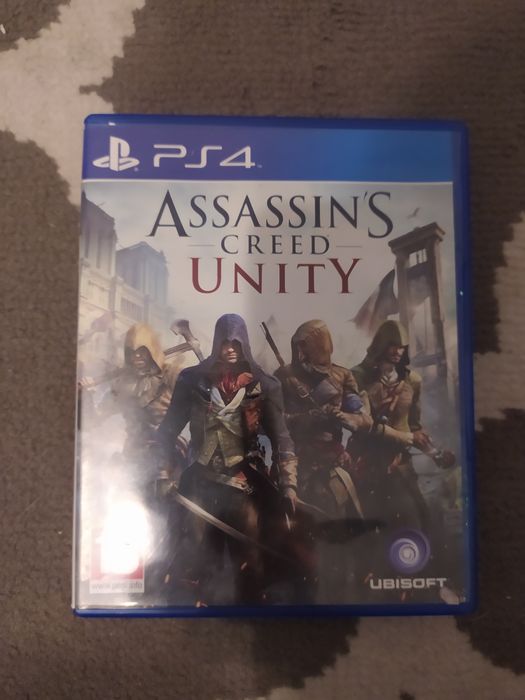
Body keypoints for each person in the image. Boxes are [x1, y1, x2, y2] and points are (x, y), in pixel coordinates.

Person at [156, 313, 298, 605]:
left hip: (246, 480)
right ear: (217, 343)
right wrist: (162, 473)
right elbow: (167, 431)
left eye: (236, 342)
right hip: (201, 480)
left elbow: (282, 438)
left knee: (264, 552)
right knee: (184, 549)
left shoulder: (265, 385)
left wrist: (289, 485)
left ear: (243, 343)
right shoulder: (192, 380)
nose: (230, 348)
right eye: (225, 342)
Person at [274, 319, 372, 601]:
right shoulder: (283, 376)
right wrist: (309, 417)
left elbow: (364, 418)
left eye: (305, 348)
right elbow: (275, 420)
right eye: (298, 348)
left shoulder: (342, 376)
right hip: (294, 468)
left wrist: (346, 418)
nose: (301, 354)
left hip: (332, 469)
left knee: (341, 543)